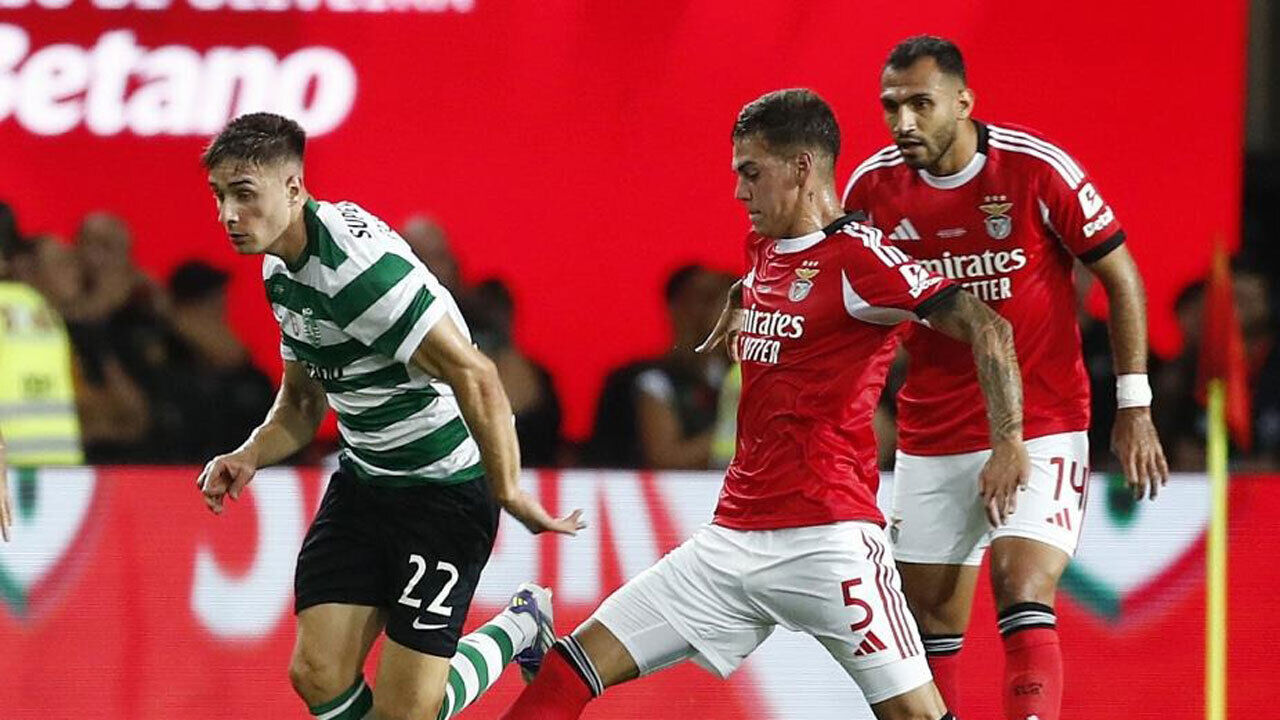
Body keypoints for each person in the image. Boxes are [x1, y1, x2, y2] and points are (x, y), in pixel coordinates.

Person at [500, 89, 1028, 720]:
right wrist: (741, 300)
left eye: (751, 173)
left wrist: (1010, 440)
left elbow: (990, 329)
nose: (738, 192)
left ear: (802, 168)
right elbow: (773, 280)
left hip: (829, 542)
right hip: (730, 544)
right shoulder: (763, 249)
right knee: (569, 668)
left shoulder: (862, 260)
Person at [194, 112, 585, 720]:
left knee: (407, 715)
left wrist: (507, 489)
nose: (228, 215)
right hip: (365, 487)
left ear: (294, 189)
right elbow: (302, 403)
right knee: (316, 674)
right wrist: (248, 454)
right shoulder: (281, 269)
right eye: (220, 196)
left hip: (443, 496)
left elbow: (477, 373)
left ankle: (518, 625)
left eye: (245, 194)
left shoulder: (357, 272)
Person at [840, 36, 1169, 719]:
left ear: (963, 102)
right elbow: (859, 309)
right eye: (891, 106)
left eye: (920, 104)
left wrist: (1134, 406)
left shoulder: (1033, 170)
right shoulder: (870, 189)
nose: (904, 122)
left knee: (1021, 582)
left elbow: (1121, 274)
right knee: (926, 618)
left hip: (1044, 421)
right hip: (932, 430)